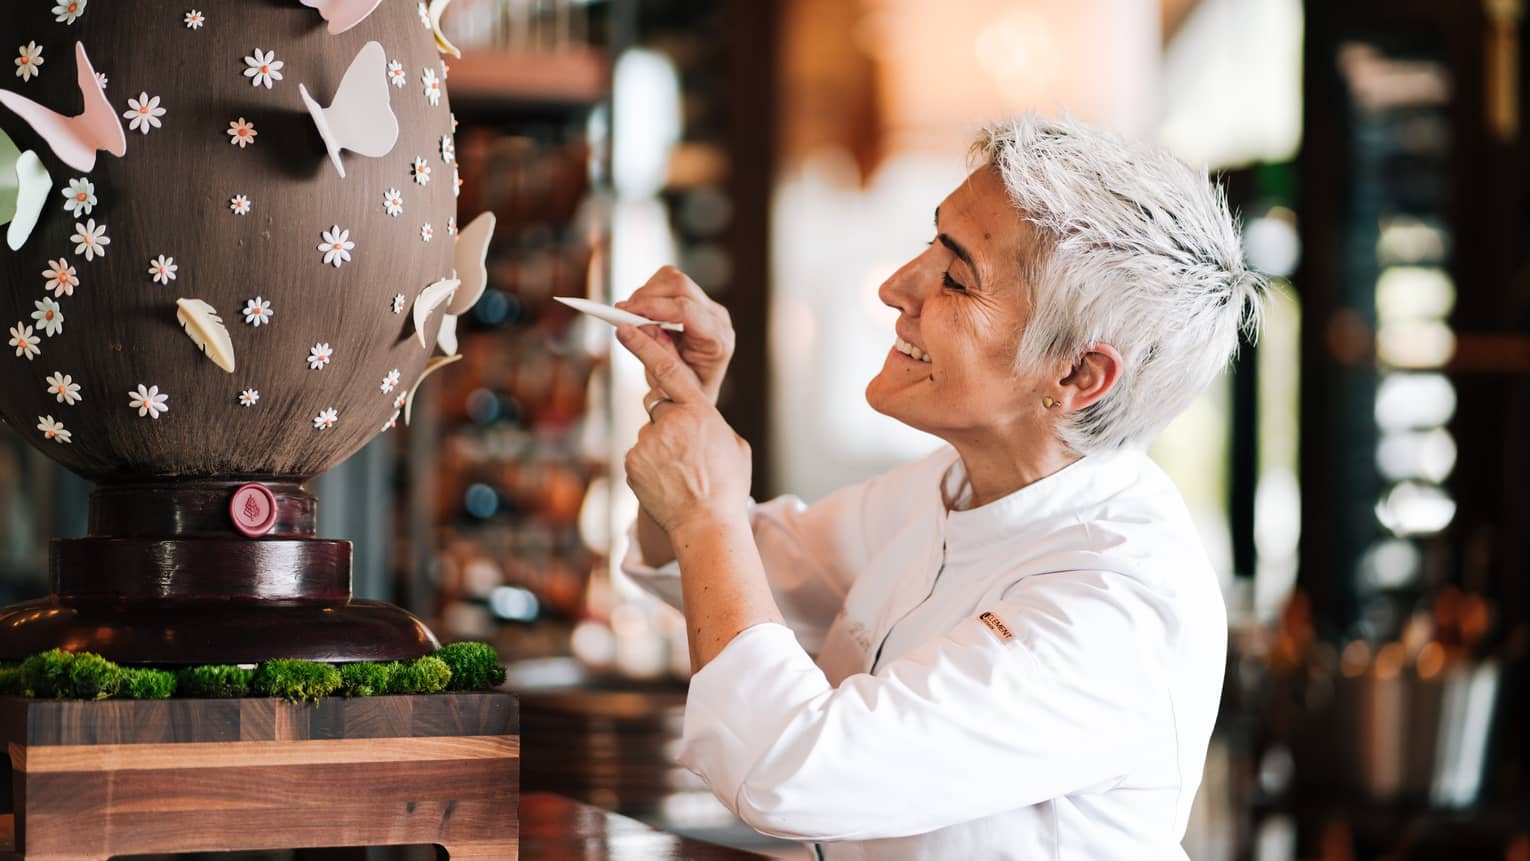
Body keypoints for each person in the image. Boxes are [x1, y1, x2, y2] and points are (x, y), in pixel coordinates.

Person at [613, 113, 1267, 860]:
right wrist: (689, 408)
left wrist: (706, 509)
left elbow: (788, 772)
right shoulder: (954, 486)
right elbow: (727, 572)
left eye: (956, 277)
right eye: (932, 243)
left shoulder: (1116, 608)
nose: (898, 287)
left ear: (1077, 374)